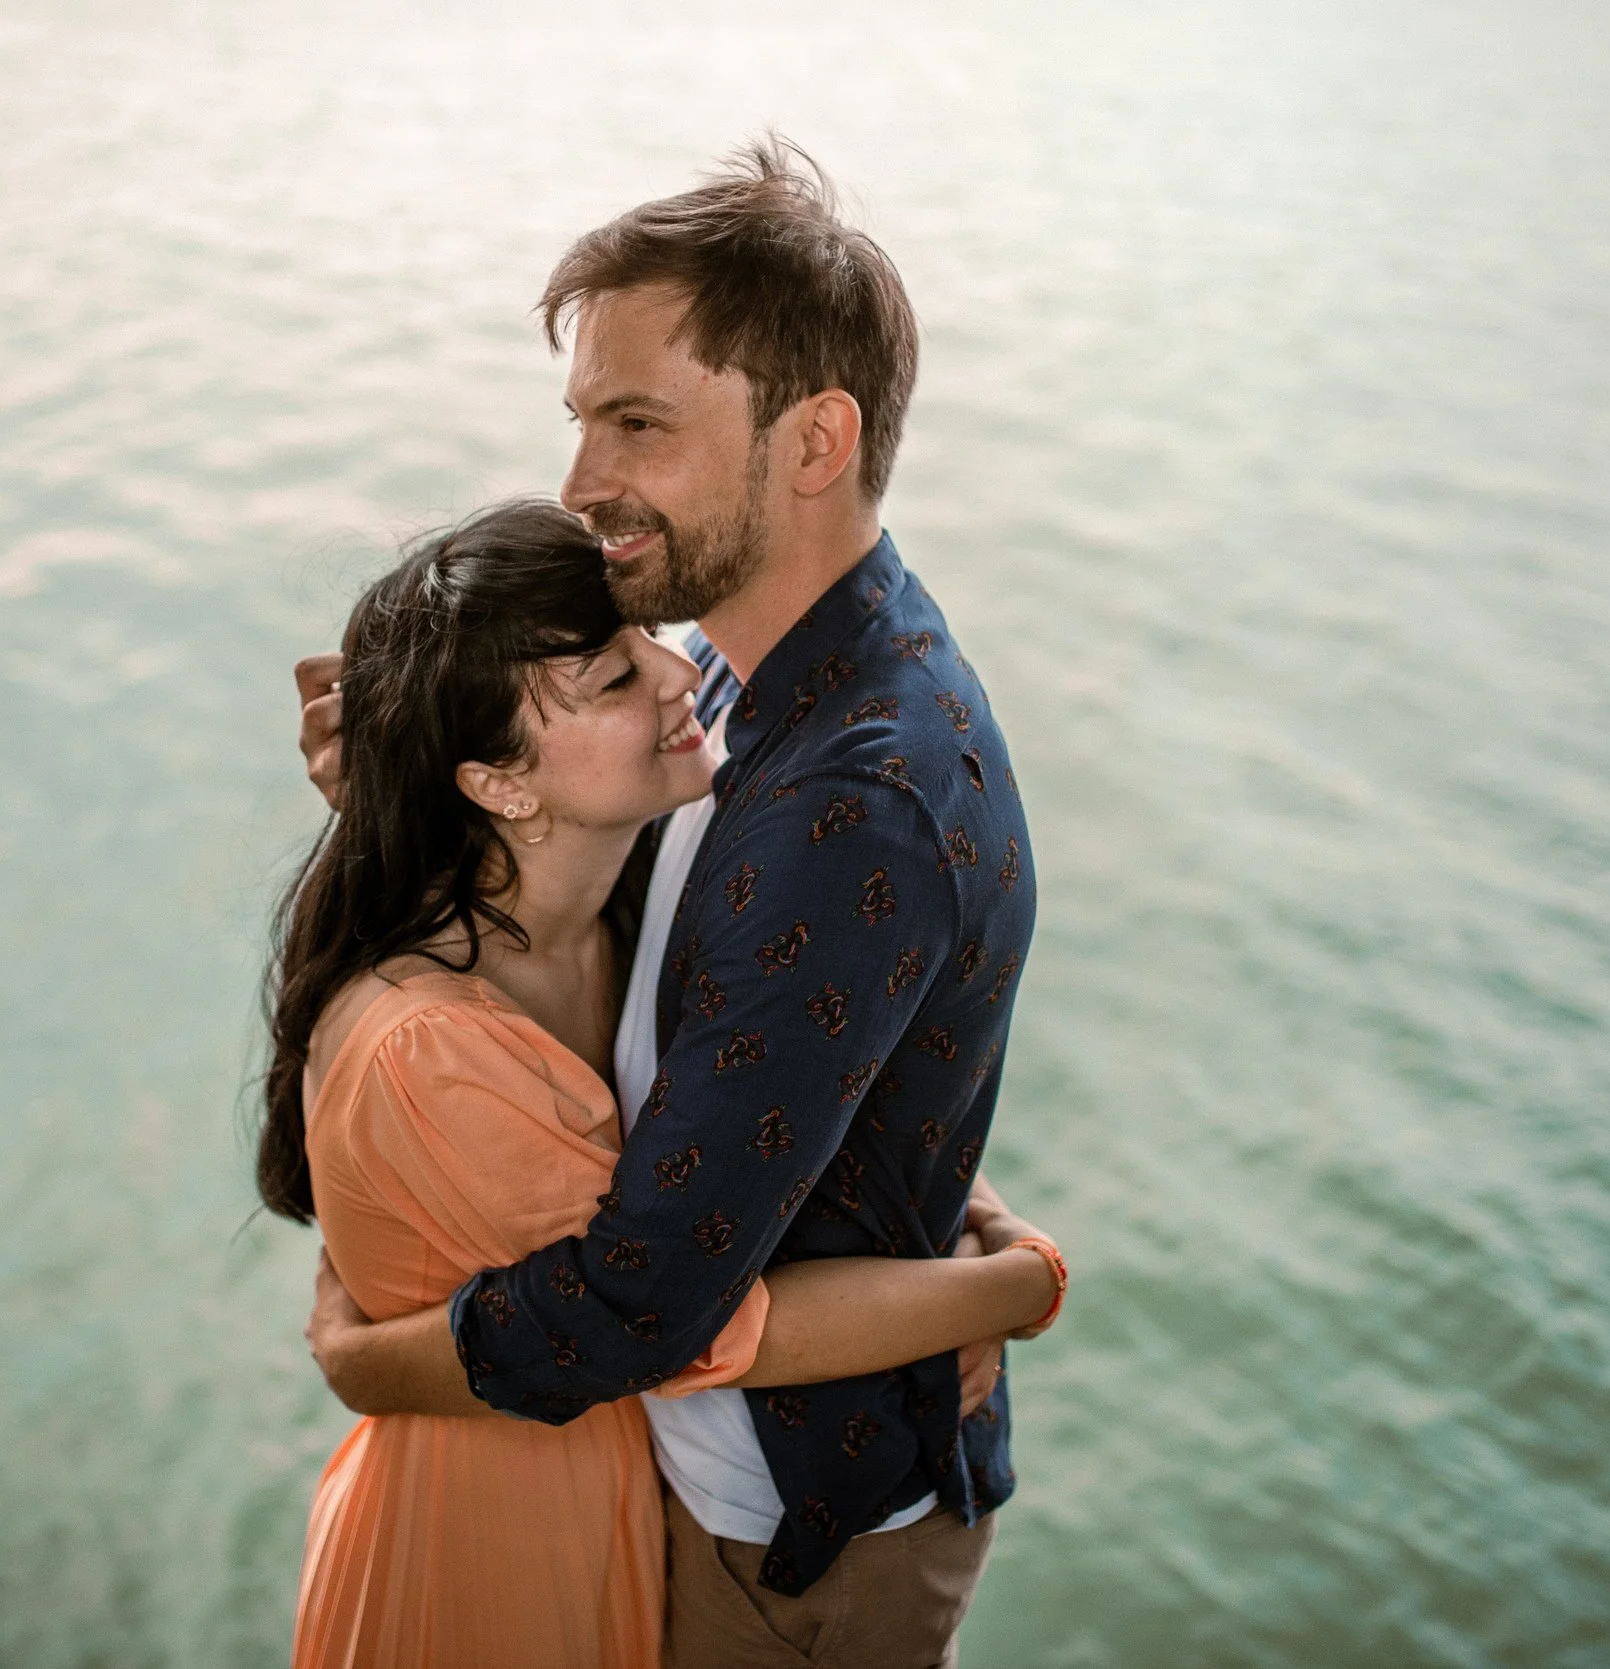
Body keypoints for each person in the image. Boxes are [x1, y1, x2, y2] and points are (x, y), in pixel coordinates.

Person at [294, 139, 1060, 1668]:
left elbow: (642, 1305)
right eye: (583, 422)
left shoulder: (853, 802)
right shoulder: (725, 673)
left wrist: (366, 1357)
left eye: (637, 424)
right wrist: (423, 802)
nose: (583, 484)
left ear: (816, 439)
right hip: (667, 1476)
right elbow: (744, 1021)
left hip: (784, 1540)